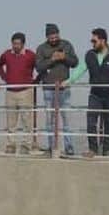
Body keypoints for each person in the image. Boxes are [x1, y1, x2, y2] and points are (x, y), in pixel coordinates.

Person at [67, 27, 109, 158]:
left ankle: (106, 150)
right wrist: (67, 81)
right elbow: (80, 69)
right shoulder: (90, 55)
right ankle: (93, 149)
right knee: (91, 121)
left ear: (103, 40)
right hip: (95, 94)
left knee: (108, 122)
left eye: (94, 41)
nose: (92, 44)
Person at [34, 23, 78, 158]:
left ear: (58, 34)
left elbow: (75, 62)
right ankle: (52, 147)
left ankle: (69, 146)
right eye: (51, 37)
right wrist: (52, 59)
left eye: (55, 36)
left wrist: (64, 57)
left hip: (64, 88)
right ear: (47, 37)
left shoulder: (66, 45)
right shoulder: (41, 49)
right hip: (48, 88)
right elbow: (39, 67)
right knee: (50, 120)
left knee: (66, 119)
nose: (53, 39)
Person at [0, 31, 37, 155]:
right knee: (11, 121)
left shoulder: (30, 55)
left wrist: (34, 81)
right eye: (14, 44)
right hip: (10, 91)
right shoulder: (7, 54)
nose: (16, 46)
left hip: (26, 91)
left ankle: (26, 145)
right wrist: (5, 77)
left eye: (18, 44)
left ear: (23, 44)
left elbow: (40, 67)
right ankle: (11, 144)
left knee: (26, 121)